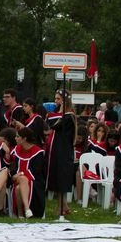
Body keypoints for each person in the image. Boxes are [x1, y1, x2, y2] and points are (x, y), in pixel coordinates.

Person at [45, 89, 76, 219]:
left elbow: (56, 125)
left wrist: (61, 110)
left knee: (62, 177)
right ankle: (62, 205)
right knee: (56, 177)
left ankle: (62, 206)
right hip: (54, 149)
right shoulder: (56, 113)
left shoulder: (69, 116)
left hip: (63, 149)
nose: (56, 101)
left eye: (58, 99)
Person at [10, 127, 46, 219]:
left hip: (33, 180)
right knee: (21, 179)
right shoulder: (16, 150)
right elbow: (13, 167)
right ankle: (27, 209)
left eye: (18, 136)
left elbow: (37, 170)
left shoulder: (37, 152)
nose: (15, 138)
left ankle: (21, 214)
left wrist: (21, 174)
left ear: (24, 138)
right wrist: (16, 175)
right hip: (16, 178)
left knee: (19, 187)